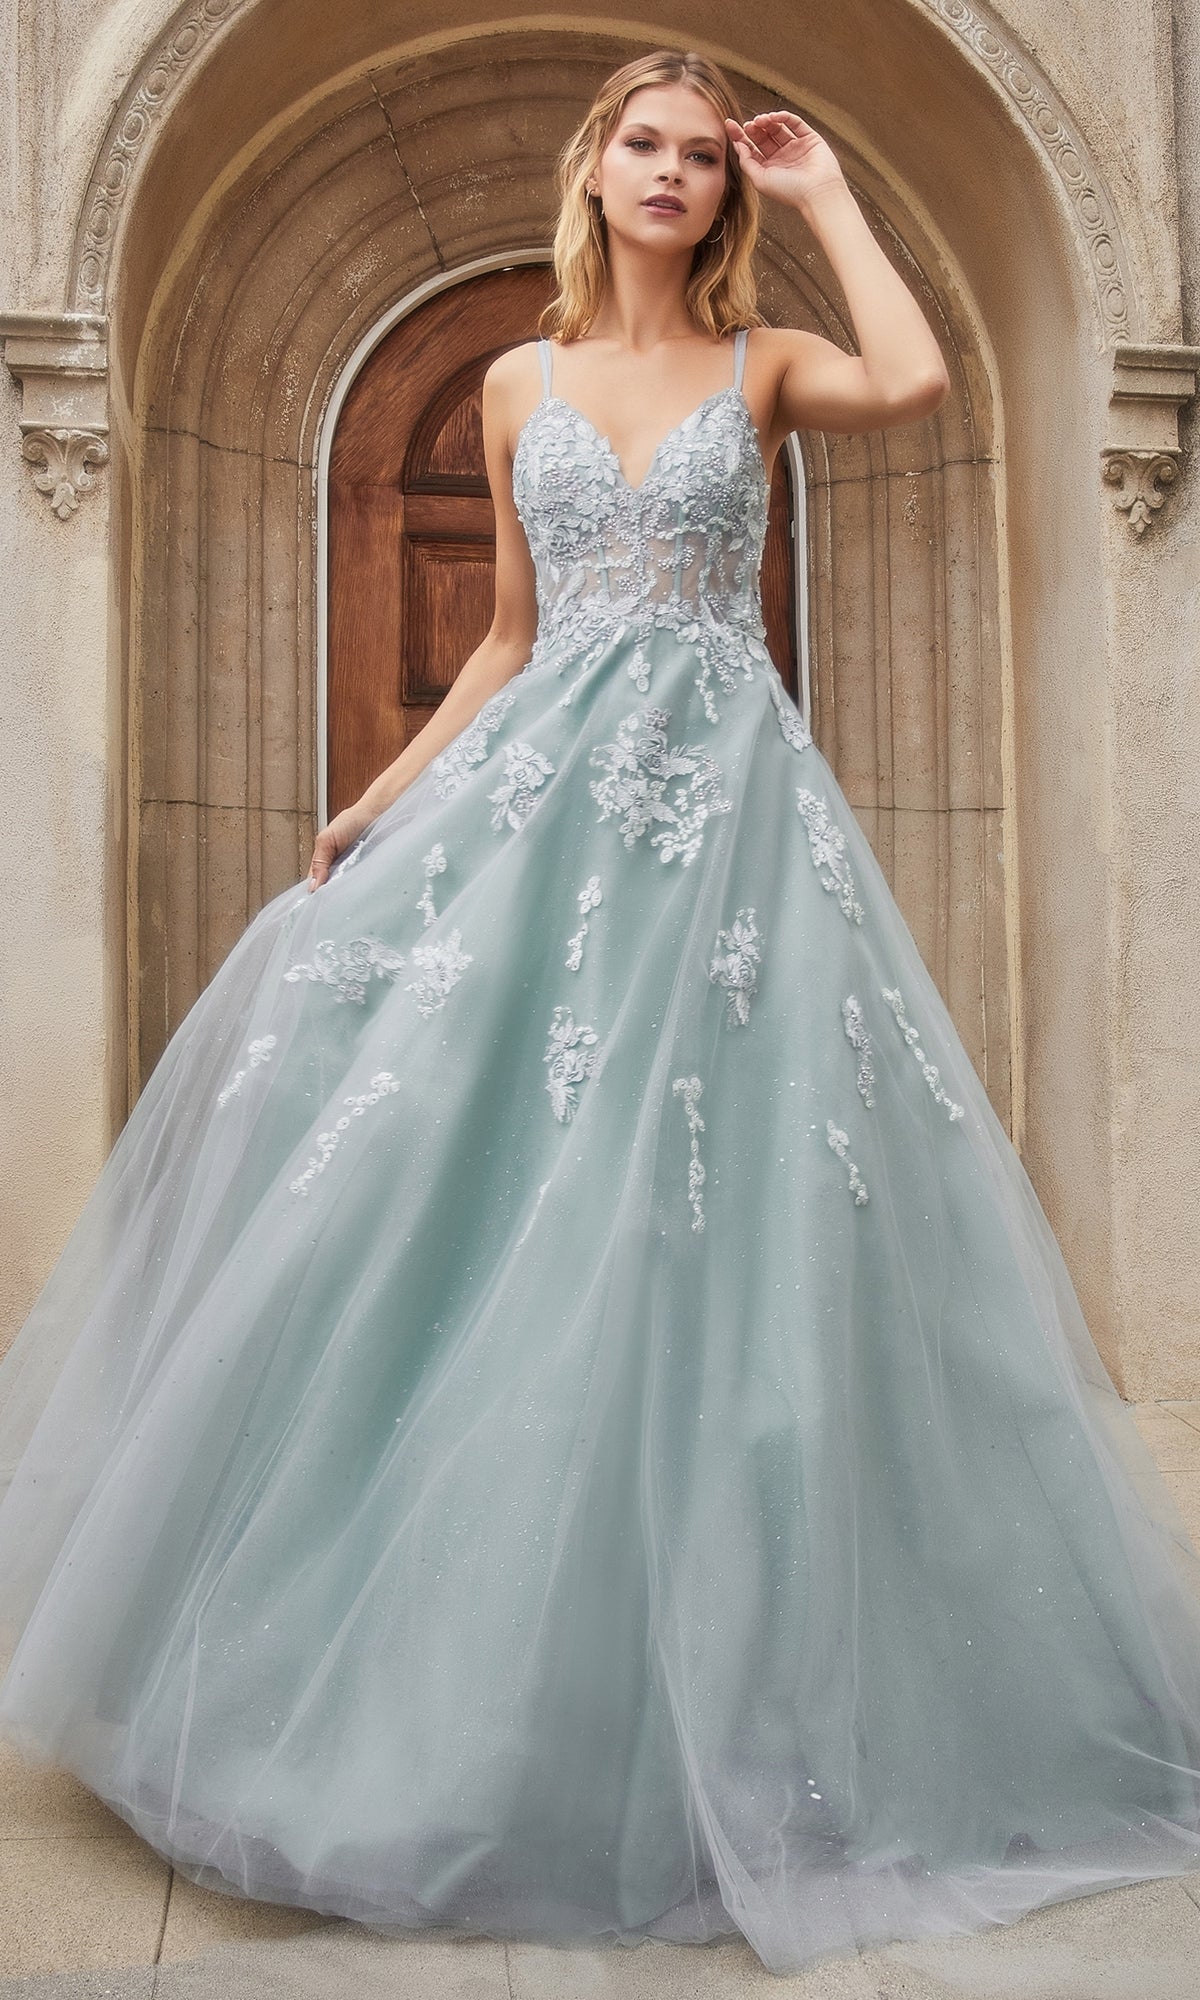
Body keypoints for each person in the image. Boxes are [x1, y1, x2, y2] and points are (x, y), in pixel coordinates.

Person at [1, 46, 1199, 1984]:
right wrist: (382, 797)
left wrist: (830, 200)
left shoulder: (765, 371)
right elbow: (510, 636)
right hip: (543, 804)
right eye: (645, 146)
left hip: (726, 828)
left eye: (701, 157)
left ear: (725, 195)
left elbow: (911, 374)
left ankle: (747, 1679)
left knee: (723, 1223)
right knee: (466, 1177)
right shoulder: (511, 383)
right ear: (595, 168)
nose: (670, 174)